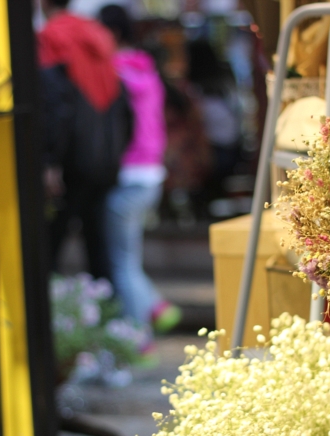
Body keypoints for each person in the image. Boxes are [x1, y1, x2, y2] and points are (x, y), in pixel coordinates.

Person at [98, 4, 181, 337]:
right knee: (128, 259)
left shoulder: (114, 74)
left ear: (111, 33)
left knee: (122, 263)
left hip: (128, 177)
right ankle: (156, 307)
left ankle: (139, 341)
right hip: (151, 175)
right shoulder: (147, 70)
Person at [38, 0, 130, 283]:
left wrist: (51, 160)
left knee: (49, 247)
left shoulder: (52, 37)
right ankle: (107, 317)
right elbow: (124, 106)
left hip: (73, 160)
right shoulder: (97, 35)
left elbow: (56, 106)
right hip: (106, 159)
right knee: (98, 246)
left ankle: (50, 319)